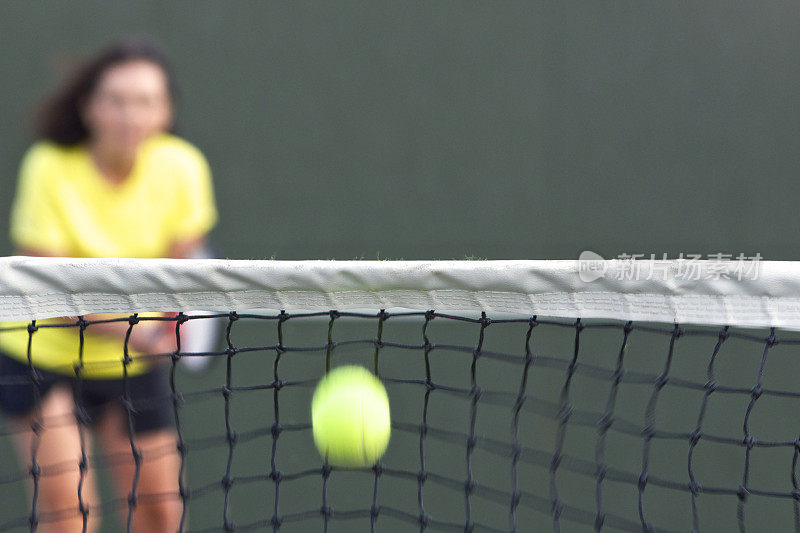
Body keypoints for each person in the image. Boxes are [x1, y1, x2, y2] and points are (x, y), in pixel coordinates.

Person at [0, 37, 217, 532]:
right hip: (40, 358)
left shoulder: (183, 168)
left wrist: (173, 322)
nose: (129, 115)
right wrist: (138, 330)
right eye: (116, 100)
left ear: (165, 111)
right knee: (70, 515)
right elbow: (52, 295)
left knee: (162, 514)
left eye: (145, 101)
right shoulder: (48, 168)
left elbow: (182, 270)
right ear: (88, 108)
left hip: (130, 365)